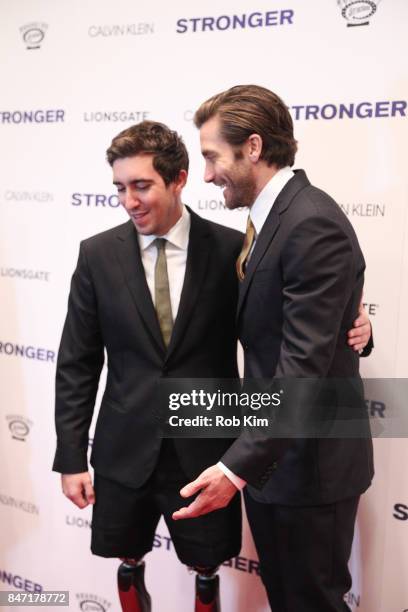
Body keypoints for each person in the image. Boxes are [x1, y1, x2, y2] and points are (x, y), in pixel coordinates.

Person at [173, 85, 374, 612]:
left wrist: (234, 469)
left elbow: (302, 368)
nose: (209, 173)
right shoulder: (270, 220)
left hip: (310, 467)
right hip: (276, 463)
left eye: (213, 156)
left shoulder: (309, 222)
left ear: (254, 147)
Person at [52, 121, 244, 612]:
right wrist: (72, 456)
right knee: (125, 557)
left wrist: (359, 328)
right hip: (123, 450)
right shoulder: (97, 255)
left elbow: (272, 342)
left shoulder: (231, 250)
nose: (129, 201)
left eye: (141, 186)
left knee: (207, 566)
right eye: (120, 188)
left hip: (205, 452)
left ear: (178, 179)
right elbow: (78, 360)